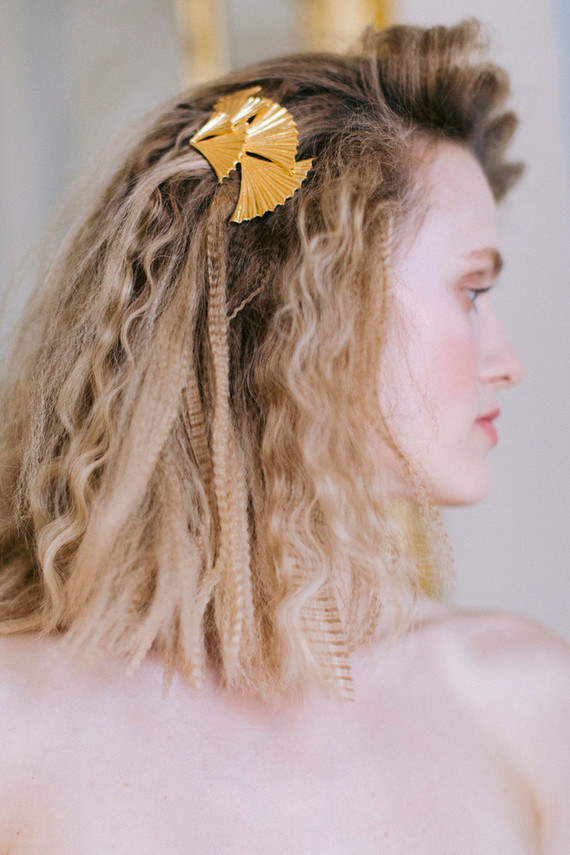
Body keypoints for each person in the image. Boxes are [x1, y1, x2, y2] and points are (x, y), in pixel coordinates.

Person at [0, 18, 568, 854]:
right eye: (471, 290)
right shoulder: (19, 724)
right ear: (325, 301)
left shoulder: (528, 703)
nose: (507, 361)